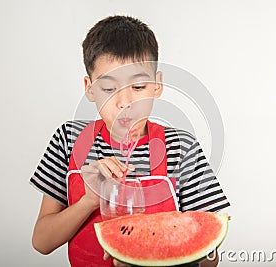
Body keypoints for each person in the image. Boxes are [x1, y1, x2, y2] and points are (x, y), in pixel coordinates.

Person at [30, 15, 230, 267]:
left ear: (157, 85)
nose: (124, 103)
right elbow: (42, 242)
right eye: (108, 88)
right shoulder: (68, 140)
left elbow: (210, 256)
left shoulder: (181, 147)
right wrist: (88, 201)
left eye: (138, 87)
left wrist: (147, 252)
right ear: (89, 88)